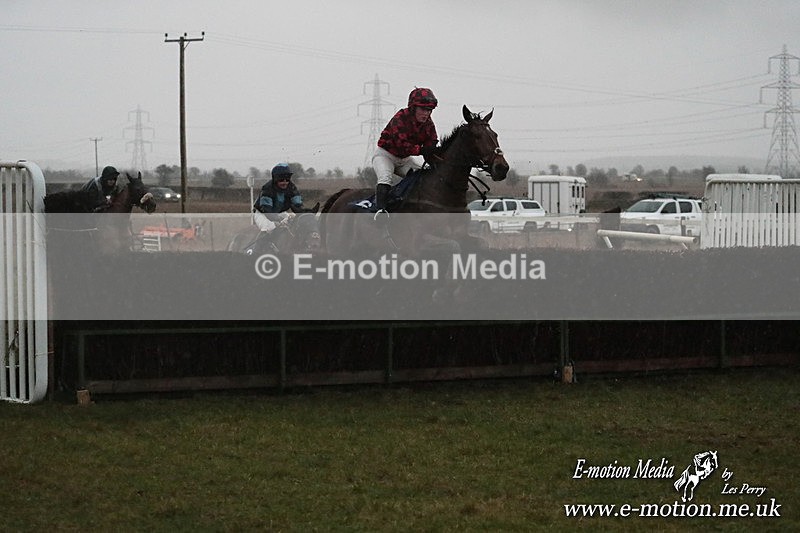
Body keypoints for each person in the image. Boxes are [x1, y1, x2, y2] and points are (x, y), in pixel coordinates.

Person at [372, 87, 439, 218]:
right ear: (413, 108)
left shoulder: (428, 123)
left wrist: (434, 156)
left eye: (429, 110)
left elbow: (432, 141)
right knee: (385, 178)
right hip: (385, 156)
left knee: (424, 178)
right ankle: (380, 211)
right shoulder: (400, 118)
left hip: (404, 160)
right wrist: (423, 150)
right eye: (423, 109)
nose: (426, 113)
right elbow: (402, 146)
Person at [253, 163, 305, 233]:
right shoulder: (267, 188)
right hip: (263, 214)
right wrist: (279, 220)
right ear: (275, 179)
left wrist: (302, 215)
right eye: (281, 180)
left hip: (280, 213)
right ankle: (261, 243)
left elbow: (298, 205)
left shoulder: (292, 188)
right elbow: (267, 210)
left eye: (287, 180)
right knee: (269, 227)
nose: (285, 182)